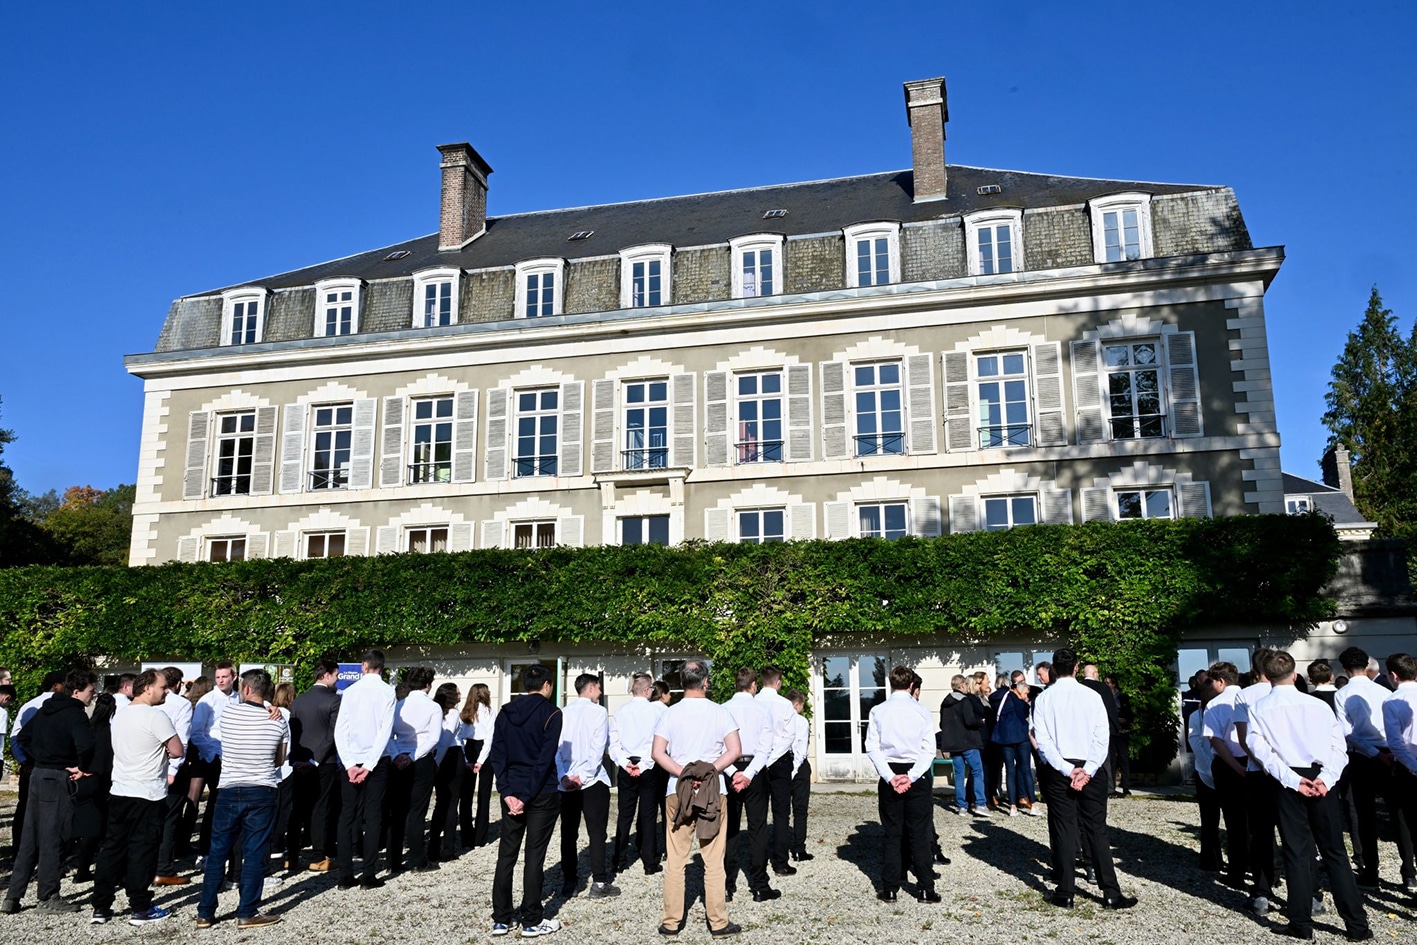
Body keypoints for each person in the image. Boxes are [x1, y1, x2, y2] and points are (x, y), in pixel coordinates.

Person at [1246, 650, 1371, 941]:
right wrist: (1326, 779)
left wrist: (1292, 779)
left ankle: (1301, 924)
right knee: (1335, 852)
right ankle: (1357, 925)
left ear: (1265, 675)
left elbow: (1263, 753)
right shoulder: (1318, 706)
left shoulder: (1259, 708)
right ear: (1294, 675)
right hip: (1320, 775)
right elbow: (1338, 748)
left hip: (1288, 780)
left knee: (1297, 851)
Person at [1031, 648, 1135, 910]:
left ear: (1054, 668)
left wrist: (1067, 770)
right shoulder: (1092, 695)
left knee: (1064, 829)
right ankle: (1110, 891)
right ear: (1076, 667)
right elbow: (1103, 736)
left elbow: (1043, 742)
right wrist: (1087, 769)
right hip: (1091, 766)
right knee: (1096, 828)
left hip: (1059, 768)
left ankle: (1065, 891)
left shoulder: (1044, 699)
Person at [651, 658, 743, 937]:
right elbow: (735, 750)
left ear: (681, 682)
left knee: (676, 859)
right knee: (713, 858)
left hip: (676, 790)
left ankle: (671, 922)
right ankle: (718, 922)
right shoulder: (721, 712)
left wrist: (685, 774)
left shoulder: (669, 714)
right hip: (714, 791)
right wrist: (709, 771)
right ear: (706, 681)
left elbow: (657, 753)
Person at [195, 669, 289, 930]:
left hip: (229, 787)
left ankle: (205, 912)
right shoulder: (278, 721)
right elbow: (280, 760)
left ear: (245, 689)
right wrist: (273, 709)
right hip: (262, 788)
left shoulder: (229, 713)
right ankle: (247, 911)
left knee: (217, 852)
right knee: (255, 851)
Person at [91, 669, 185, 926]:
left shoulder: (120, 716)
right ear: (147, 688)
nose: (167, 691)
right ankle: (140, 907)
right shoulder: (156, 716)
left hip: (121, 789)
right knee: (142, 850)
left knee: (112, 849)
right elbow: (177, 749)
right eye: (163, 687)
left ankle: (101, 906)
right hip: (148, 792)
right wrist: (163, 750)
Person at [2, 669, 97, 915]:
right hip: (56, 777)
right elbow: (86, 745)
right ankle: (48, 896)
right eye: (91, 691)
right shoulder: (75, 714)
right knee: (54, 837)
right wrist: (81, 767)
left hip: (38, 775)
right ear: (77, 691)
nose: (93, 695)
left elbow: (22, 736)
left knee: (30, 838)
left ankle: (12, 897)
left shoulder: (45, 709)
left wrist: (39, 758)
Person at [489, 663, 564, 938]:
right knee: (534, 855)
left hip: (512, 792)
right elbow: (545, 759)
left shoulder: (506, 712)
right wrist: (524, 795)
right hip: (540, 792)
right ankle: (531, 919)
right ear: (547, 685)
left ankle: (502, 918)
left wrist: (507, 791)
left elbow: (498, 754)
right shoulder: (552, 713)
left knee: (506, 854)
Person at [1336, 646, 1415, 892]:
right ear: (1368, 667)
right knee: (1399, 815)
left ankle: (1370, 871)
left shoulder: (1343, 694)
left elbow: (1346, 732)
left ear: (1345, 669)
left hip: (1365, 756)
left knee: (1365, 815)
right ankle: (1409, 873)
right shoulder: (1384, 691)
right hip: (1394, 754)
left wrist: (1373, 753)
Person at [865, 665, 939, 904]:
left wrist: (889, 776)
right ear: (911, 685)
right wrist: (913, 776)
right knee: (919, 833)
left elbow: (872, 747)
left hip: (891, 772)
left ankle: (890, 888)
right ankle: (926, 888)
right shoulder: (922, 711)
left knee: (892, 832)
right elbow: (929, 749)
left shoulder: (878, 710)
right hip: (916, 772)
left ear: (890, 683)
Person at [335, 649, 397, 890]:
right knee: (373, 816)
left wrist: (350, 763)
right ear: (382, 667)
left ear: (364, 666)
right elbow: (385, 731)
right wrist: (369, 765)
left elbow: (341, 729)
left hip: (351, 758)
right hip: (376, 760)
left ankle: (345, 875)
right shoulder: (387, 692)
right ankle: (368, 874)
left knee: (347, 815)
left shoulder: (350, 692)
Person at [557, 673, 619, 899]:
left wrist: (564, 776)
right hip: (591, 780)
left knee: (568, 832)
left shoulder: (563, 712)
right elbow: (597, 748)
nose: (600, 693)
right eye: (599, 688)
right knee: (596, 832)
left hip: (567, 782)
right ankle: (599, 882)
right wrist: (583, 776)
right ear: (591, 688)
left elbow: (556, 749)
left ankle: (569, 882)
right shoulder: (599, 712)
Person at [722, 666, 778, 902]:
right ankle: (759, 885)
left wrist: (734, 772)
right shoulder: (762, 709)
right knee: (758, 829)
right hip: (755, 771)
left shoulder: (722, 709)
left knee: (729, 829)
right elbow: (767, 746)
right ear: (754, 685)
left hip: (729, 770)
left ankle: (725, 886)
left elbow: (718, 747)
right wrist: (749, 773)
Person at [1233, 648, 1278, 914]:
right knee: (1297, 833)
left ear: (1254, 670)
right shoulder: (1298, 695)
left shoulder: (1246, 695)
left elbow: (1244, 739)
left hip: (1258, 769)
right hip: (1293, 768)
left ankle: (1262, 890)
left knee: (1261, 831)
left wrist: (1261, 762)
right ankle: (1312, 893)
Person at [386, 666, 442, 875]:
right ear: (428, 684)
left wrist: (396, 755)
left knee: (397, 812)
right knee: (417, 811)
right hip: (421, 759)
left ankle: (393, 860)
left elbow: (388, 734)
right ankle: (417, 860)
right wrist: (411, 757)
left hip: (398, 758)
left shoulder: (398, 705)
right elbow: (433, 738)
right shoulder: (433, 707)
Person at [287, 659, 341, 873]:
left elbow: (293, 732)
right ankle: (318, 855)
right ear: (326, 675)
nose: (337, 680)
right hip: (323, 762)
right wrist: (315, 760)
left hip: (300, 760)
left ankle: (291, 856)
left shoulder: (299, 700)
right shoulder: (334, 701)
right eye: (336, 675)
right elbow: (332, 734)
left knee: (298, 808)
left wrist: (296, 760)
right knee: (320, 807)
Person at [7, 670, 67, 857]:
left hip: (31, 764)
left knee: (25, 807)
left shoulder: (28, 705)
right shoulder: (59, 706)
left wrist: (24, 762)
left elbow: (15, 738)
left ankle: (20, 850)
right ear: (56, 685)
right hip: (50, 764)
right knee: (50, 811)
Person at [1202, 660, 1251, 892]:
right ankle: (1267, 872)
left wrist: (1234, 766)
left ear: (1221, 681)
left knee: (1234, 822)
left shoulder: (1214, 704)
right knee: (1261, 819)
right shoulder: (1252, 697)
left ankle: (1237, 872)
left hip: (1227, 763)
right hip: (1255, 760)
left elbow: (1215, 739)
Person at [610, 672, 664, 875]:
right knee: (648, 815)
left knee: (625, 814)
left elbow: (613, 743)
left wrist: (625, 763)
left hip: (626, 766)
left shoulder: (620, 711)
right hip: (649, 766)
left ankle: (619, 860)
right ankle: (650, 862)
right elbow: (658, 743)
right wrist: (643, 765)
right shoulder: (656, 713)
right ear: (647, 690)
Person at [191, 661, 240, 862]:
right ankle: (205, 850)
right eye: (218, 677)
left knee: (231, 804)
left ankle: (227, 849)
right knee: (215, 803)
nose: (220, 681)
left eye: (224, 677)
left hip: (234, 756)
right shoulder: (208, 699)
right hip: (214, 758)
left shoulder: (240, 699)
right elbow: (197, 732)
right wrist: (212, 753)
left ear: (233, 677)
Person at [755, 666, 799, 877]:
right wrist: (772, 758)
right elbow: (789, 736)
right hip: (779, 762)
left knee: (759, 814)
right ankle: (781, 862)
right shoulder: (784, 705)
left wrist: (763, 759)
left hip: (758, 761)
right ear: (778, 681)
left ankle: (759, 859)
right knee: (781, 813)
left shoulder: (753, 703)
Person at [154, 666, 197, 884]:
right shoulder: (181, 704)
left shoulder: (142, 703)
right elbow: (183, 739)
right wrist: (173, 769)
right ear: (178, 684)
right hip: (171, 766)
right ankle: (163, 868)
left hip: (147, 766)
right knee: (170, 818)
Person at [71, 692, 117, 884]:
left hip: (82, 778)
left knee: (85, 827)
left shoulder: (87, 728)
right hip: (100, 780)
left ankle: (82, 868)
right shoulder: (109, 732)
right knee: (99, 829)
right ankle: (92, 869)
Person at [1383, 652, 1417, 907]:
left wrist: (1414, 768)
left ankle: (1410, 874)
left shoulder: (1393, 701)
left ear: (1393, 675)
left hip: (1409, 768)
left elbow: (1395, 742)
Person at [1186, 671, 1222, 872]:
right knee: (1211, 820)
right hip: (1210, 769)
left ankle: (1212, 859)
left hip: (1210, 768)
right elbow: (1196, 742)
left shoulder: (1208, 713)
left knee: (1211, 819)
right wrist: (1209, 767)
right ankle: (1211, 858)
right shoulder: (1197, 715)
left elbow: (1196, 742)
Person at [939, 674, 987, 816]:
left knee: (959, 775)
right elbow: (969, 721)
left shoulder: (945, 703)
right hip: (968, 742)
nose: (967, 687)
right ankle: (980, 803)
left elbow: (942, 724)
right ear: (961, 686)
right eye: (966, 684)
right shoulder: (964, 701)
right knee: (977, 771)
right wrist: (980, 722)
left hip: (953, 744)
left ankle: (961, 806)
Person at [427, 682, 464, 862]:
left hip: (437, 755)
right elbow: (447, 738)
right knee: (450, 803)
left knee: (441, 802)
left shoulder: (434, 710)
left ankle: (433, 846)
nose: (460, 694)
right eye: (457, 692)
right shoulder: (454, 713)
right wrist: (436, 763)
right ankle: (447, 848)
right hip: (450, 755)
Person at [458, 683, 496, 850]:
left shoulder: (464, 712)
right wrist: (481, 760)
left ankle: (466, 837)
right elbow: (490, 738)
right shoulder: (490, 712)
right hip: (485, 752)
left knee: (465, 796)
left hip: (468, 749)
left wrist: (467, 759)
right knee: (484, 795)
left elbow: (460, 738)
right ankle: (480, 837)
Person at [993, 674, 1035, 816]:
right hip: (1021, 736)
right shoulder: (1015, 699)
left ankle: (1012, 807)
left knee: (1009, 771)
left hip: (1004, 738)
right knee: (1025, 770)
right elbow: (1024, 711)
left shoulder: (994, 699)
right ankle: (1032, 803)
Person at [786, 689, 813, 861]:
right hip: (799, 767)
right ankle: (798, 848)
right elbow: (801, 751)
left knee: (782, 810)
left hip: (782, 764)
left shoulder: (779, 720)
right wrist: (794, 771)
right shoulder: (801, 721)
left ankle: (780, 848)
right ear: (797, 704)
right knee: (800, 809)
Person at [1105, 674, 1132, 796]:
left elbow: (1129, 713)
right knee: (1111, 759)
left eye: (1108, 683)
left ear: (1113, 684)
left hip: (1122, 731)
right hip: (1111, 732)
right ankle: (1111, 787)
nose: (1107, 685)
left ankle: (1126, 786)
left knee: (1124, 759)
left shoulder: (1122, 697)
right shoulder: (1105, 698)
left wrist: (1125, 719)